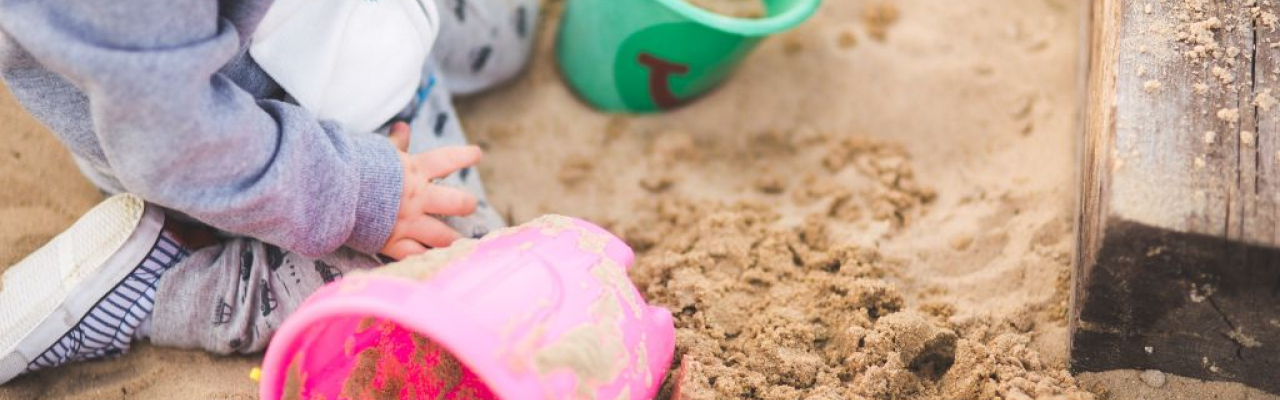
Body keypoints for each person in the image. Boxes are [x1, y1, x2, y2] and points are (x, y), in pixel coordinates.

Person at [0, 0, 537, 383]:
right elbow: (178, 141)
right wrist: (361, 195)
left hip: (358, 33)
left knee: (509, 30)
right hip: (266, 152)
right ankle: (167, 286)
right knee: (466, 280)